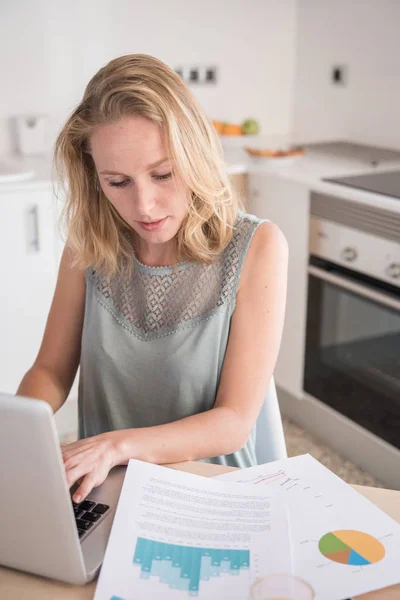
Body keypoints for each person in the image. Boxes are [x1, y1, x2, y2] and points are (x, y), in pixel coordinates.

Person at [16, 54, 288, 504]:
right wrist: (18, 440)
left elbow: (234, 421)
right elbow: (50, 370)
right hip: (106, 493)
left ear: (195, 156)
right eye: (118, 182)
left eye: (163, 174)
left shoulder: (257, 246)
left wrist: (117, 445)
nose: (144, 205)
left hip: (215, 496)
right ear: (94, 178)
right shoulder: (89, 245)